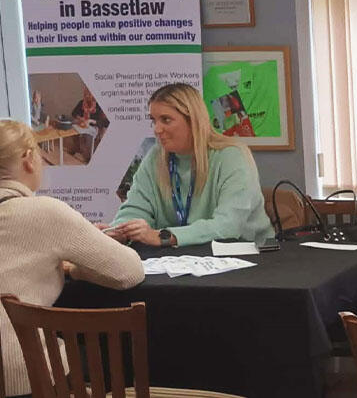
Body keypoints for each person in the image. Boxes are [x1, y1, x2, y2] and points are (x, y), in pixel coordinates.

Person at [0, 119, 144, 398]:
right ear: (29, 159)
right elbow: (129, 271)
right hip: (28, 379)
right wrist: (74, 268)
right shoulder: (44, 213)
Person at [107, 83, 274, 247]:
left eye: (166, 120)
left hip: (247, 257)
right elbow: (135, 208)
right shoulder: (156, 157)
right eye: (154, 120)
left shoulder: (232, 156)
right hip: (183, 259)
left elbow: (229, 226)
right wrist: (119, 231)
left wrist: (164, 236)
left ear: (193, 120)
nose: (157, 129)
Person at [70, 87, 110, 162]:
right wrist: (80, 118)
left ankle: (88, 157)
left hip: (94, 126)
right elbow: (74, 113)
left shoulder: (99, 106)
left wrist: (90, 121)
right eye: (85, 94)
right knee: (72, 125)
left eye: (89, 94)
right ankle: (76, 147)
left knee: (88, 136)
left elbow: (106, 122)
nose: (87, 96)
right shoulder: (82, 102)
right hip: (82, 123)